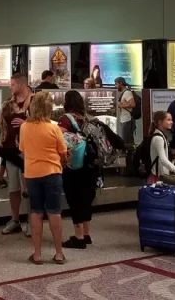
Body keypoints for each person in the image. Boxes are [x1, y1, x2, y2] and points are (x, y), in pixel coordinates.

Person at [19, 91, 67, 265]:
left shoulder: (25, 127)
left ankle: (37, 254)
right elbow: (63, 151)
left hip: (32, 174)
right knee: (54, 212)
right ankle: (59, 253)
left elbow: (23, 150)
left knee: (36, 212)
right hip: (52, 172)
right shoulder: (54, 128)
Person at [57, 90, 97, 250]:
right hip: (90, 164)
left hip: (74, 166)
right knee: (87, 199)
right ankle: (86, 234)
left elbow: (61, 140)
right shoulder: (89, 118)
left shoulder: (65, 119)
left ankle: (78, 236)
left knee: (75, 200)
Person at [0, 73, 31, 236]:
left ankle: (33, 221)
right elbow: (2, 126)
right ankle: (15, 220)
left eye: (12, 85)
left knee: (29, 189)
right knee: (13, 188)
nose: (10, 87)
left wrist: (26, 124)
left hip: (29, 152)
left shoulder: (34, 102)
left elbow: (45, 123)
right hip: (11, 151)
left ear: (21, 85)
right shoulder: (8, 104)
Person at [148, 110, 175, 183]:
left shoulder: (162, 135)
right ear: (160, 122)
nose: (171, 122)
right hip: (159, 176)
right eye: (168, 120)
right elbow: (163, 159)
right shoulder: (158, 138)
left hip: (162, 174)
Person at [114, 77, 137, 145]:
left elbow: (133, 104)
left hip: (127, 120)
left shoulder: (127, 92)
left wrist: (121, 105)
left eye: (116, 84)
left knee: (126, 140)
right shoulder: (124, 93)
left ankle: (129, 153)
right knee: (127, 140)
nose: (115, 86)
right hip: (124, 119)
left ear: (121, 83)